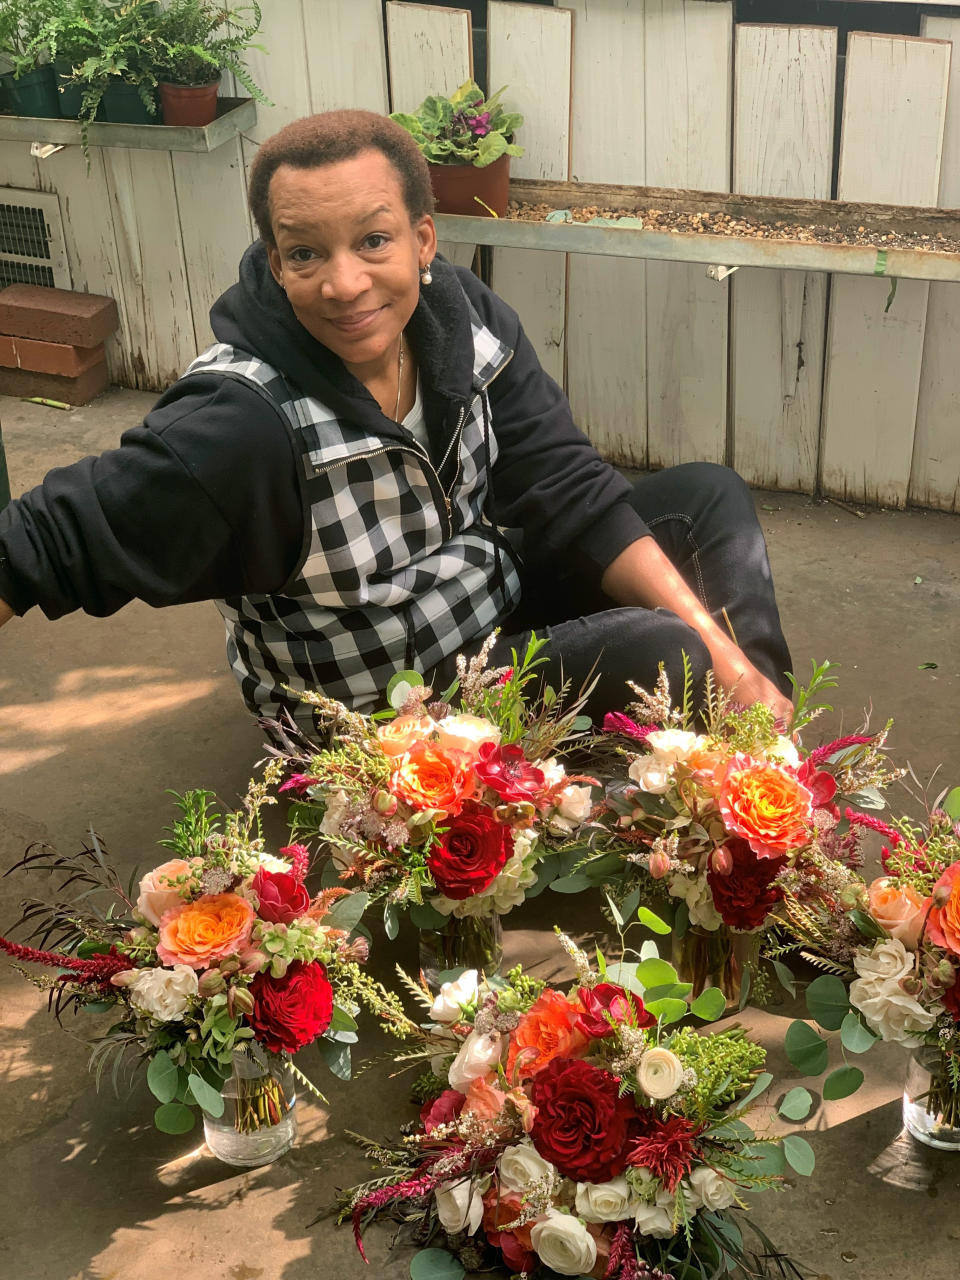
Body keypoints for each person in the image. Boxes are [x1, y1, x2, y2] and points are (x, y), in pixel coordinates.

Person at [0, 110, 793, 732]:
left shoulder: (461, 316)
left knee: (708, 500)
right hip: (380, 707)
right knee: (667, 650)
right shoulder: (239, 426)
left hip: (484, 608)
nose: (345, 285)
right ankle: (731, 767)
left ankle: (765, 755)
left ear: (423, 240)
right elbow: (39, 544)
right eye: (305, 254)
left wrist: (727, 655)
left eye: (373, 241)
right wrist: (698, 646)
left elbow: (566, 486)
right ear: (276, 263)